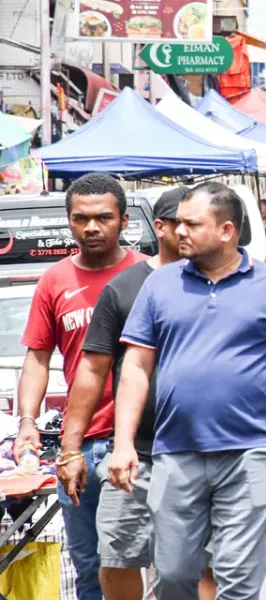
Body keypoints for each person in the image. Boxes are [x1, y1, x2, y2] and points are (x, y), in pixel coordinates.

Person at [107, 182, 266, 600]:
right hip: (174, 451)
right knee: (172, 574)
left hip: (251, 452)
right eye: (178, 223)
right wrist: (123, 443)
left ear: (226, 230)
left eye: (191, 223)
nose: (177, 231)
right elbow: (134, 366)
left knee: (238, 582)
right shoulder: (160, 285)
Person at [57, 187, 218, 600]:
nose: (186, 232)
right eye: (178, 222)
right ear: (159, 227)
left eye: (195, 223)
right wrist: (71, 449)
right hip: (135, 452)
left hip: (209, 451)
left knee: (199, 562)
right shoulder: (125, 289)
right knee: (116, 555)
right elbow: (92, 372)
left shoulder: (225, 285)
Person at [17, 172, 147, 600]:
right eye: (81, 218)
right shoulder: (54, 281)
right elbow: (37, 357)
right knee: (90, 565)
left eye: (103, 217)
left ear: (123, 221)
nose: (92, 227)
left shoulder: (148, 276)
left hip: (148, 442)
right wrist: (27, 422)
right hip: (83, 446)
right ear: (69, 222)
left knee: (160, 561)